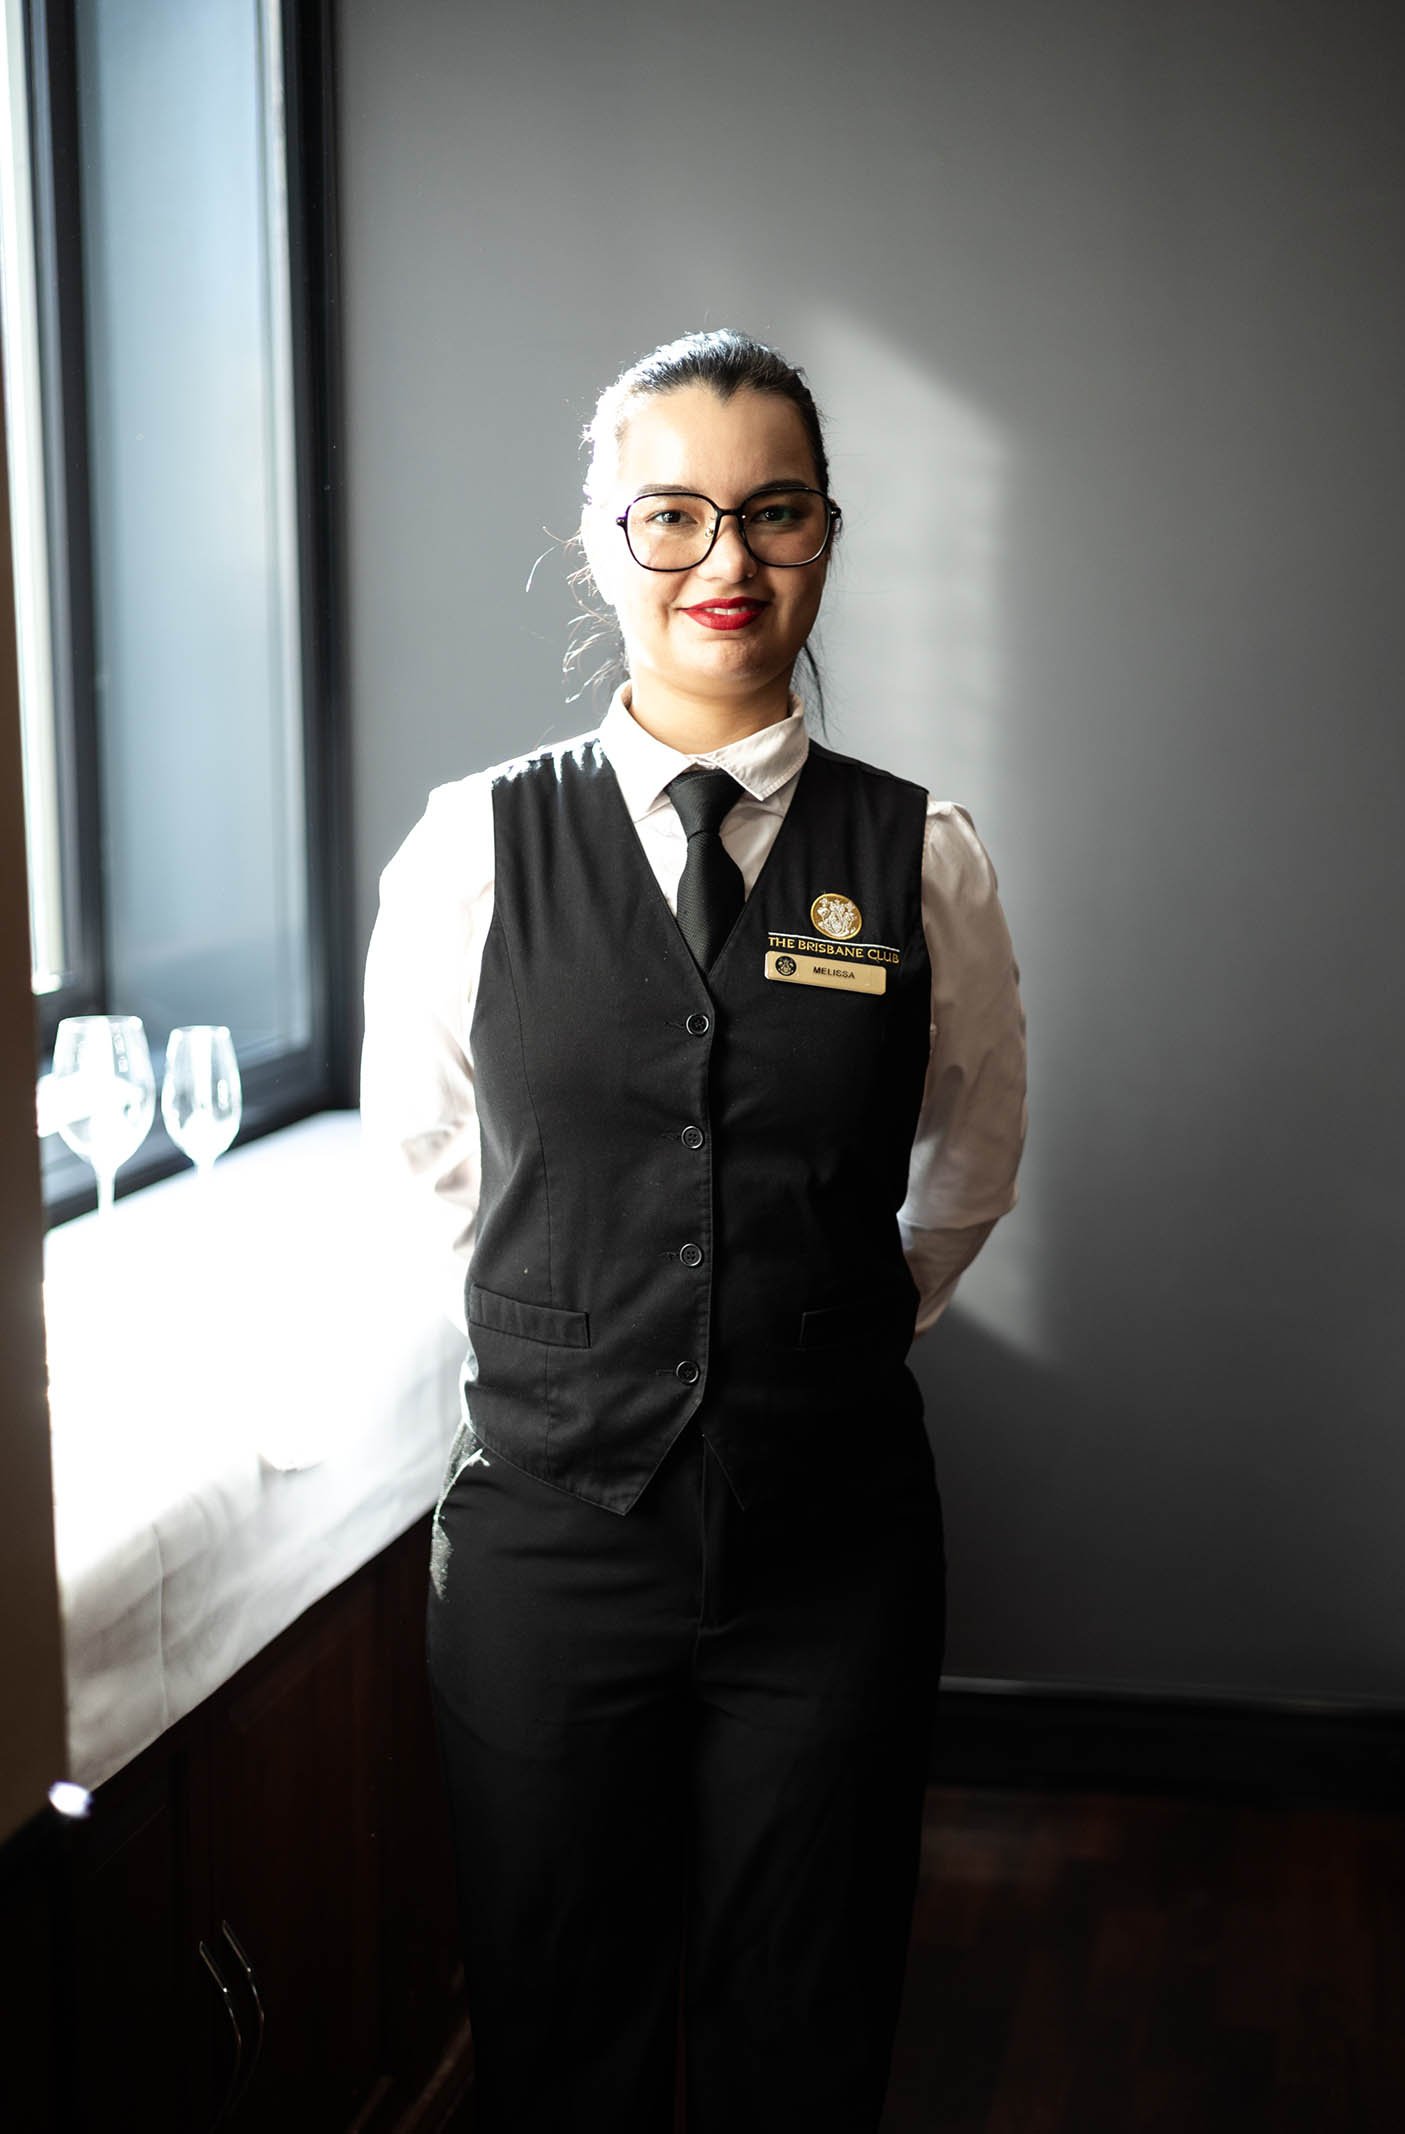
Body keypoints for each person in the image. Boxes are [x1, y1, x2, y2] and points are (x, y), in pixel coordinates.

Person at [360, 328, 1027, 2134]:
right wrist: (573, 1338)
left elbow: (971, 1157)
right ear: (602, 539)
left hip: (835, 1555)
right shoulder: (471, 852)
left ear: (826, 534)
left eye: (773, 511)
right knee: (557, 2023)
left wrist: (832, 1333)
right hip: (549, 1555)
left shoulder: (924, 858)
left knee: (801, 2028)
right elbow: (426, 1151)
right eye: (673, 515)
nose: (725, 562)